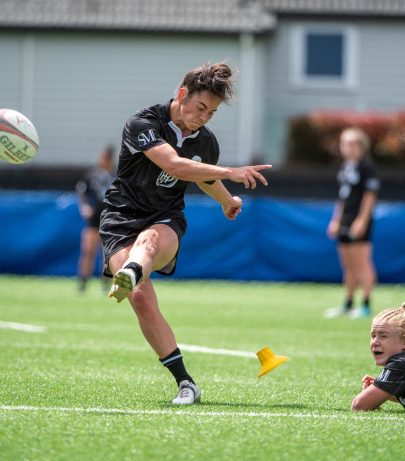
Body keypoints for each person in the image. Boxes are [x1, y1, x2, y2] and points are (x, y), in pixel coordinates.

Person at [99, 62, 271, 405]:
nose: (204, 117)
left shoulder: (205, 142)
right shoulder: (143, 123)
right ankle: (186, 383)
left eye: (212, 112)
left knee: (147, 244)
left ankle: (132, 271)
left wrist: (226, 200)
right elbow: (175, 165)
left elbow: (204, 177)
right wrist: (232, 172)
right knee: (141, 299)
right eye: (200, 107)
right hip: (120, 218)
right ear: (182, 95)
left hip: (165, 218)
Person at [325, 127, 380, 319]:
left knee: (362, 263)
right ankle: (348, 303)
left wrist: (362, 220)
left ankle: (365, 304)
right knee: (348, 265)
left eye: (351, 143)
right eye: (344, 143)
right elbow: (342, 198)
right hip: (345, 221)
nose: (346, 147)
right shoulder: (347, 167)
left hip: (358, 220)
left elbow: (370, 195)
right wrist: (336, 220)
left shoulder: (367, 167)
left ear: (361, 146)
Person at [76, 145, 116, 292]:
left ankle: (106, 284)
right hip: (94, 219)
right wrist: (84, 206)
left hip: (111, 219)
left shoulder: (117, 176)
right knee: (88, 250)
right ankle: (83, 281)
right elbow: (81, 192)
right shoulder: (91, 175)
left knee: (108, 254)